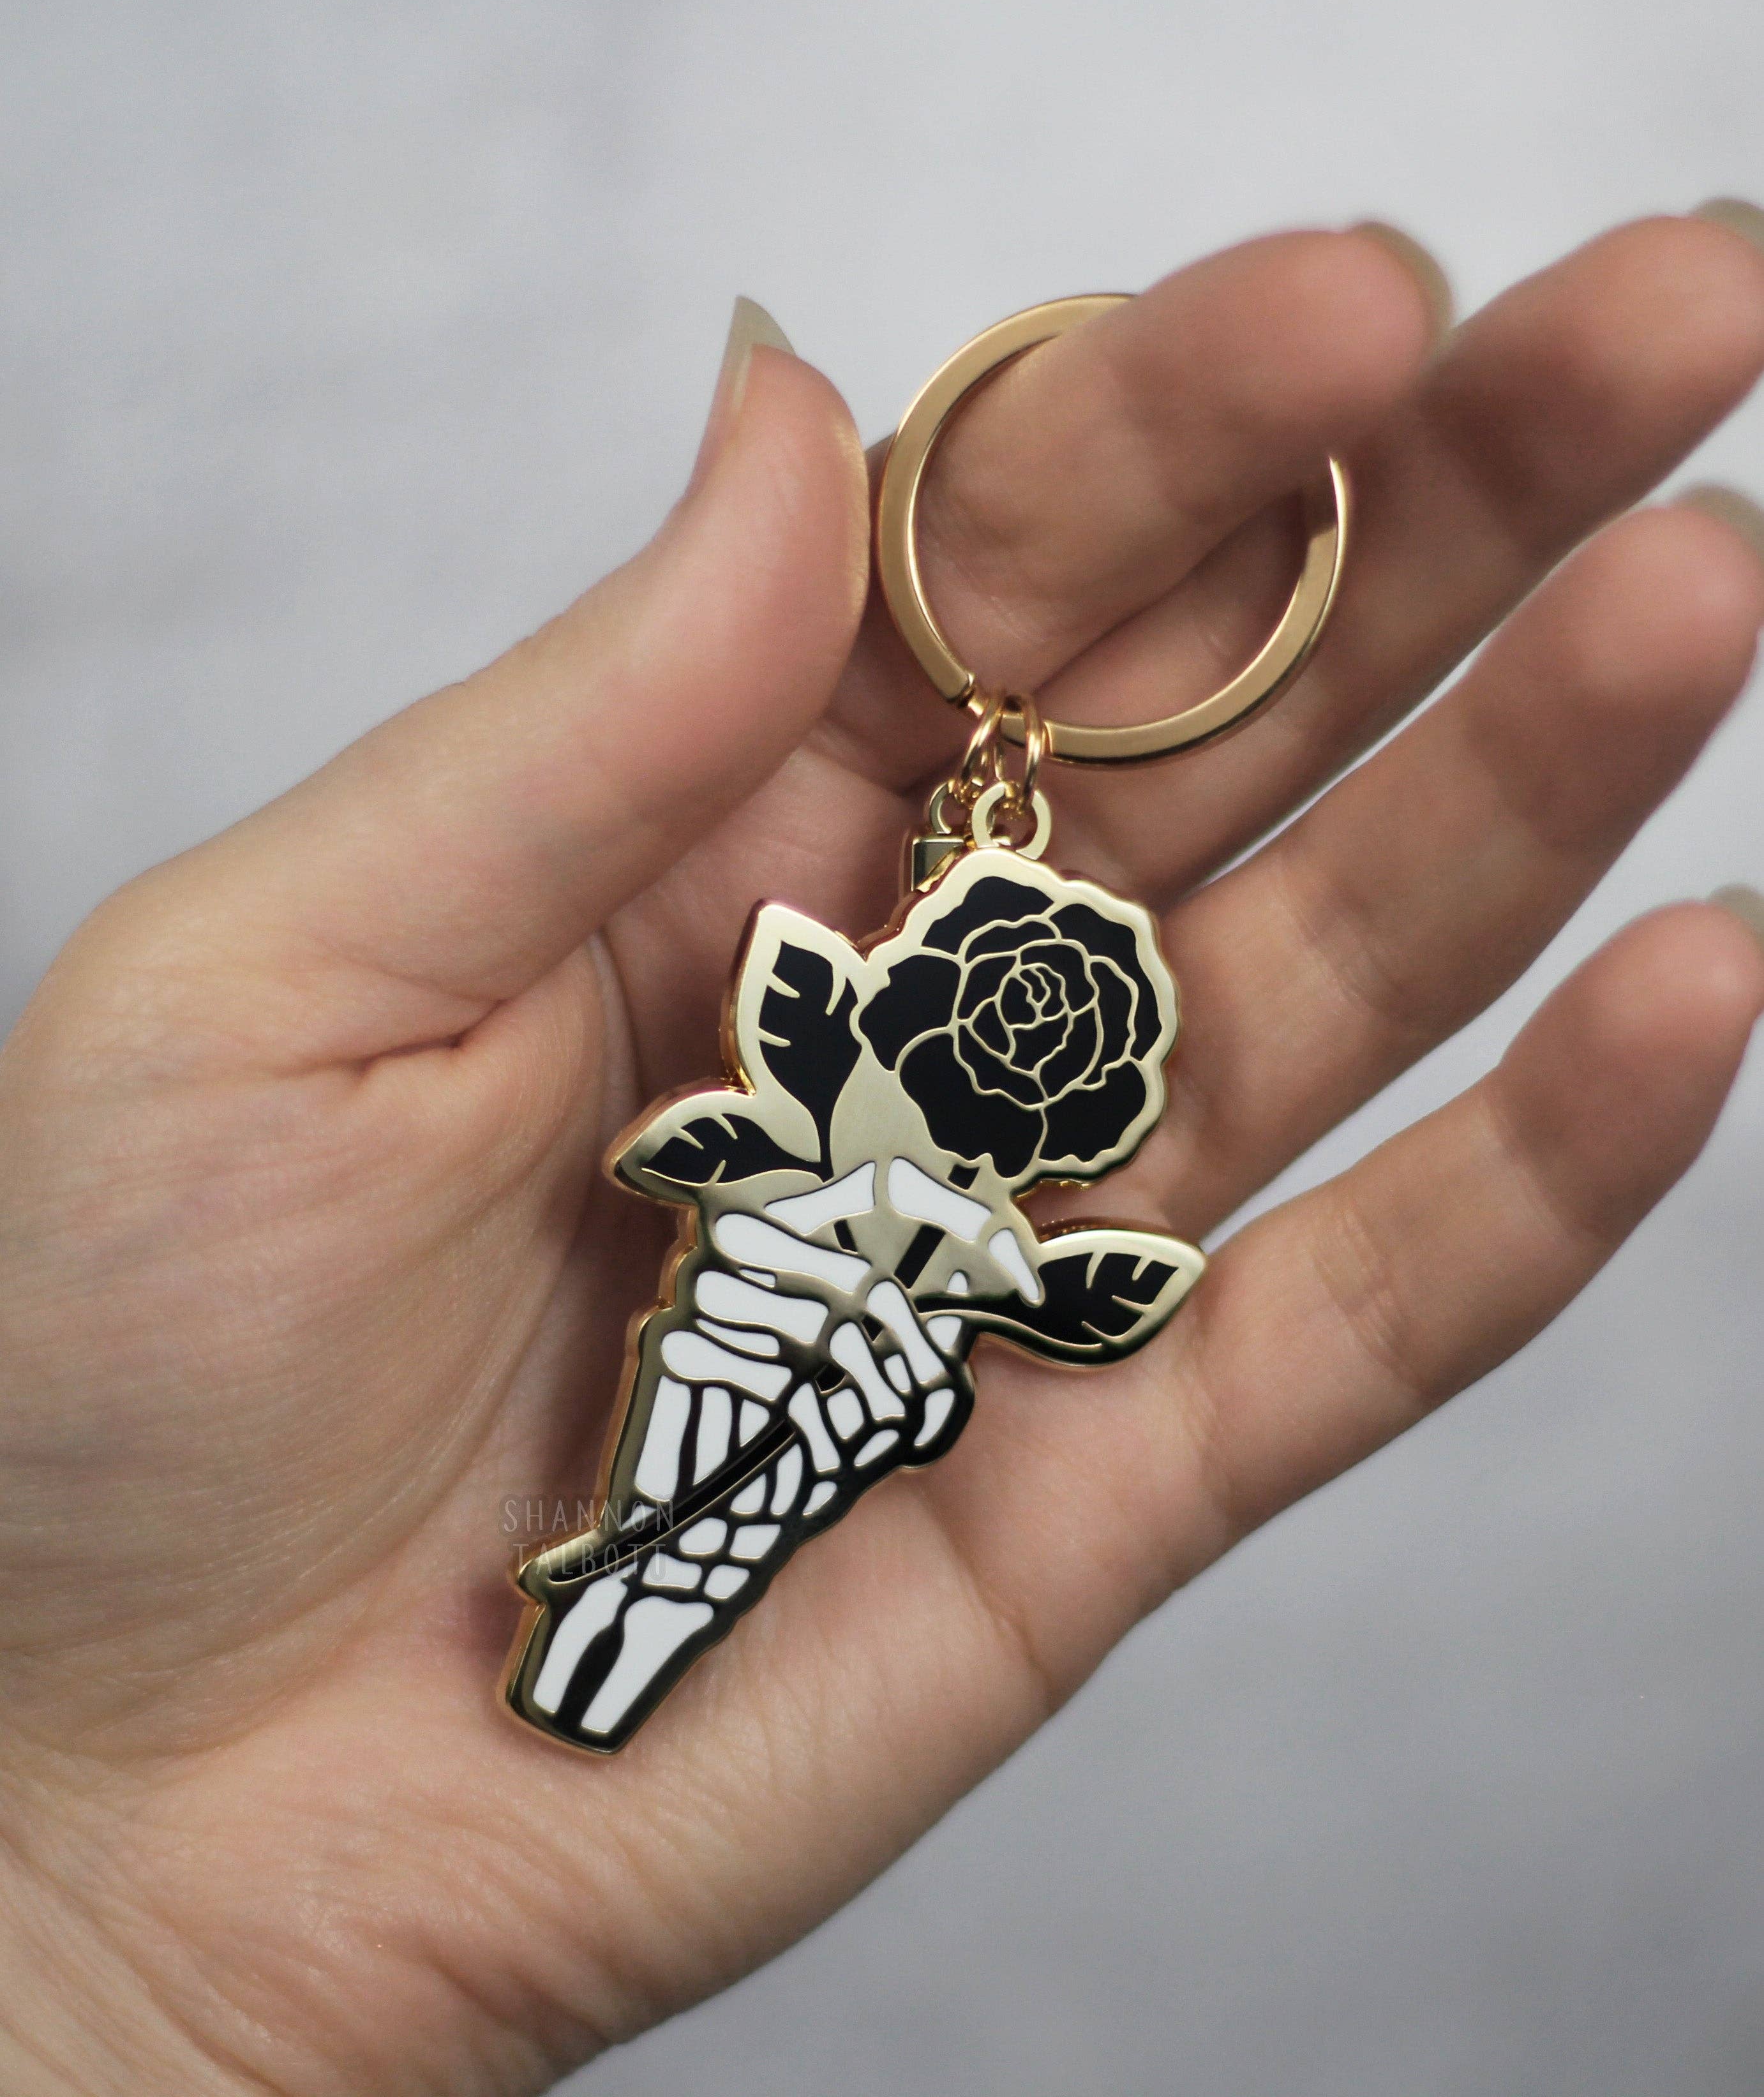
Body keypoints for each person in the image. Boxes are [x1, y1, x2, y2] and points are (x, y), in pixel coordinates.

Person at [0, 214, 1761, 2093]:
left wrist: (115, 1994)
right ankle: (609, 1616)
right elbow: (763, 1138)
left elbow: (973, 1246)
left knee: (720, 1525)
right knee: (708, 1501)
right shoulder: (835, 1033)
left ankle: (613, 1616)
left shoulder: (950, 1129)